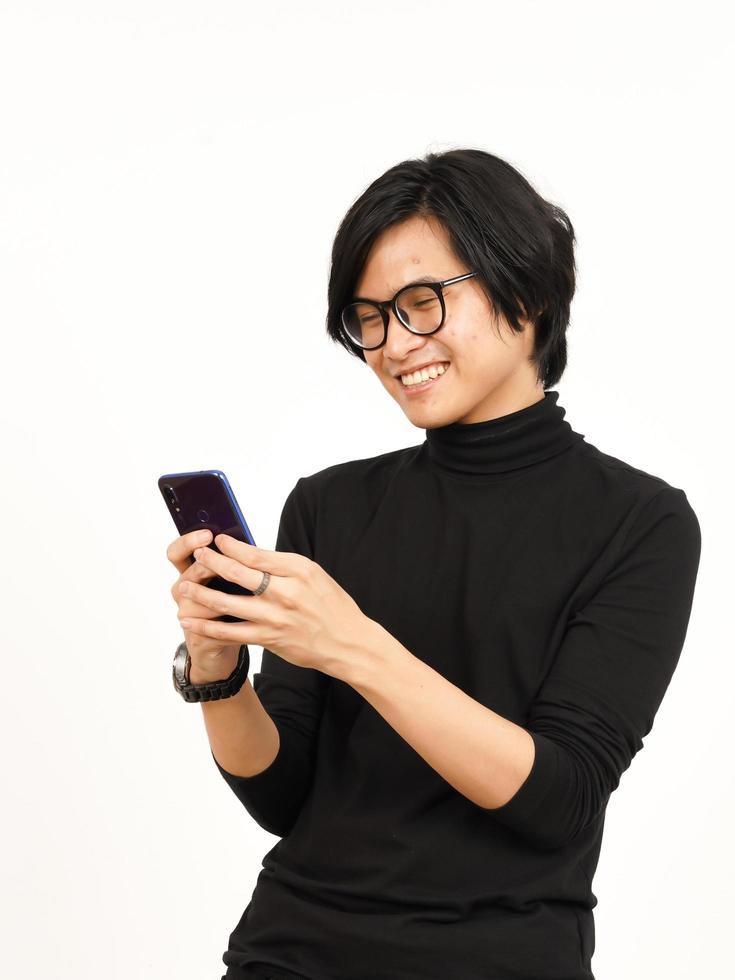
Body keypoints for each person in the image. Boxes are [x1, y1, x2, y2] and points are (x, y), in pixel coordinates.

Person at [166, 148, 702, 980]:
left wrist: (352, 645)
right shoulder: (330, 505)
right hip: (291, 951)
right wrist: (217, 669)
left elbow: (557, 800)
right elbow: (279, 797)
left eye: (420, 304)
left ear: (524, 291)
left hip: (500, 957)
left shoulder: (639, 523)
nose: (390, 344)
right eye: (369, 317)